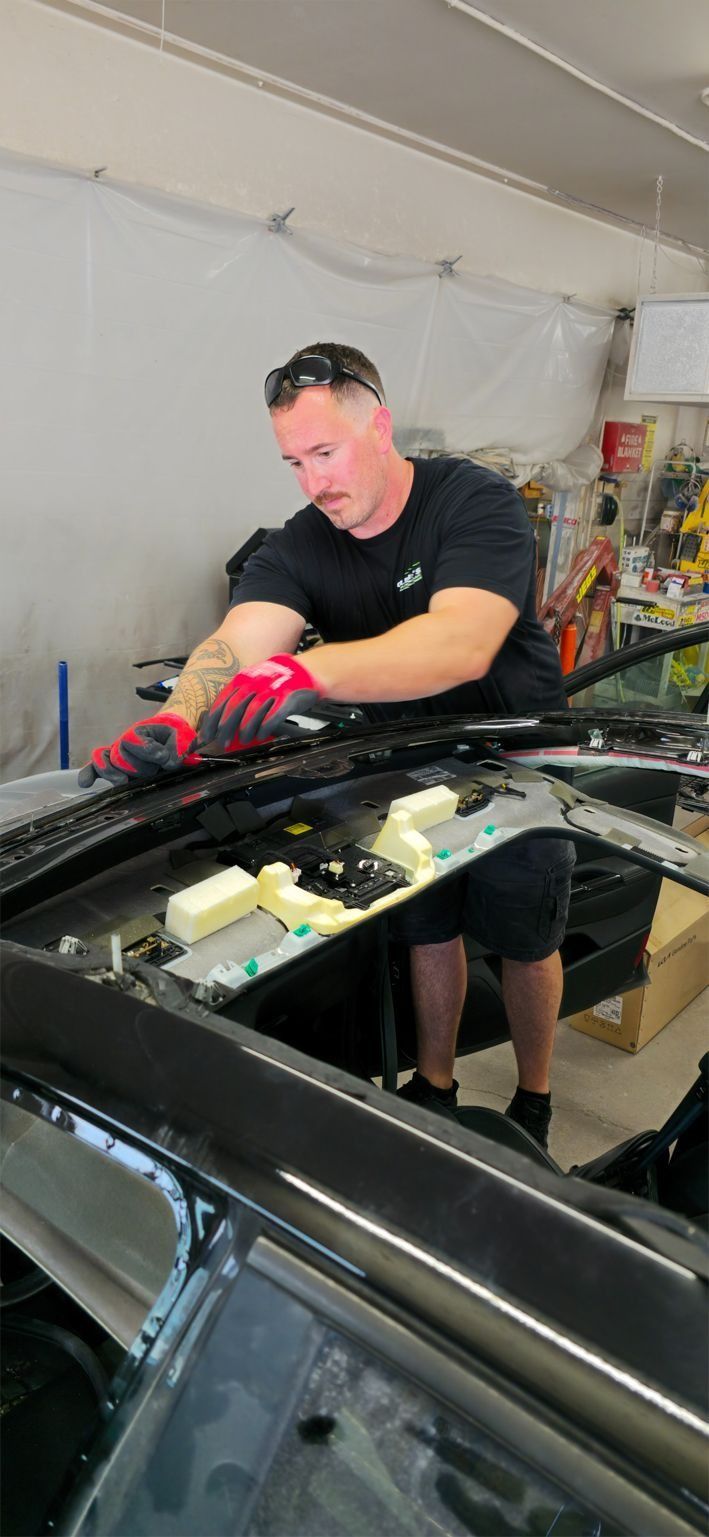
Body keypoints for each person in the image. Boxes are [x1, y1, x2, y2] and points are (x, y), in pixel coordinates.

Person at [81, 342, 575, 1148]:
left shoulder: (470, 501)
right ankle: (437, 1083)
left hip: (515, 761)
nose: (314, 482)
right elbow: (237, 639)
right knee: (426, 928)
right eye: (293, 463)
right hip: (403, 769)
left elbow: (461, 641)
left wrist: (305, 670)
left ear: (378, 427)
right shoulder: (301, 543)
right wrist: (179, 715)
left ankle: (535, 1097)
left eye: (325, 452)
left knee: (526, 941)